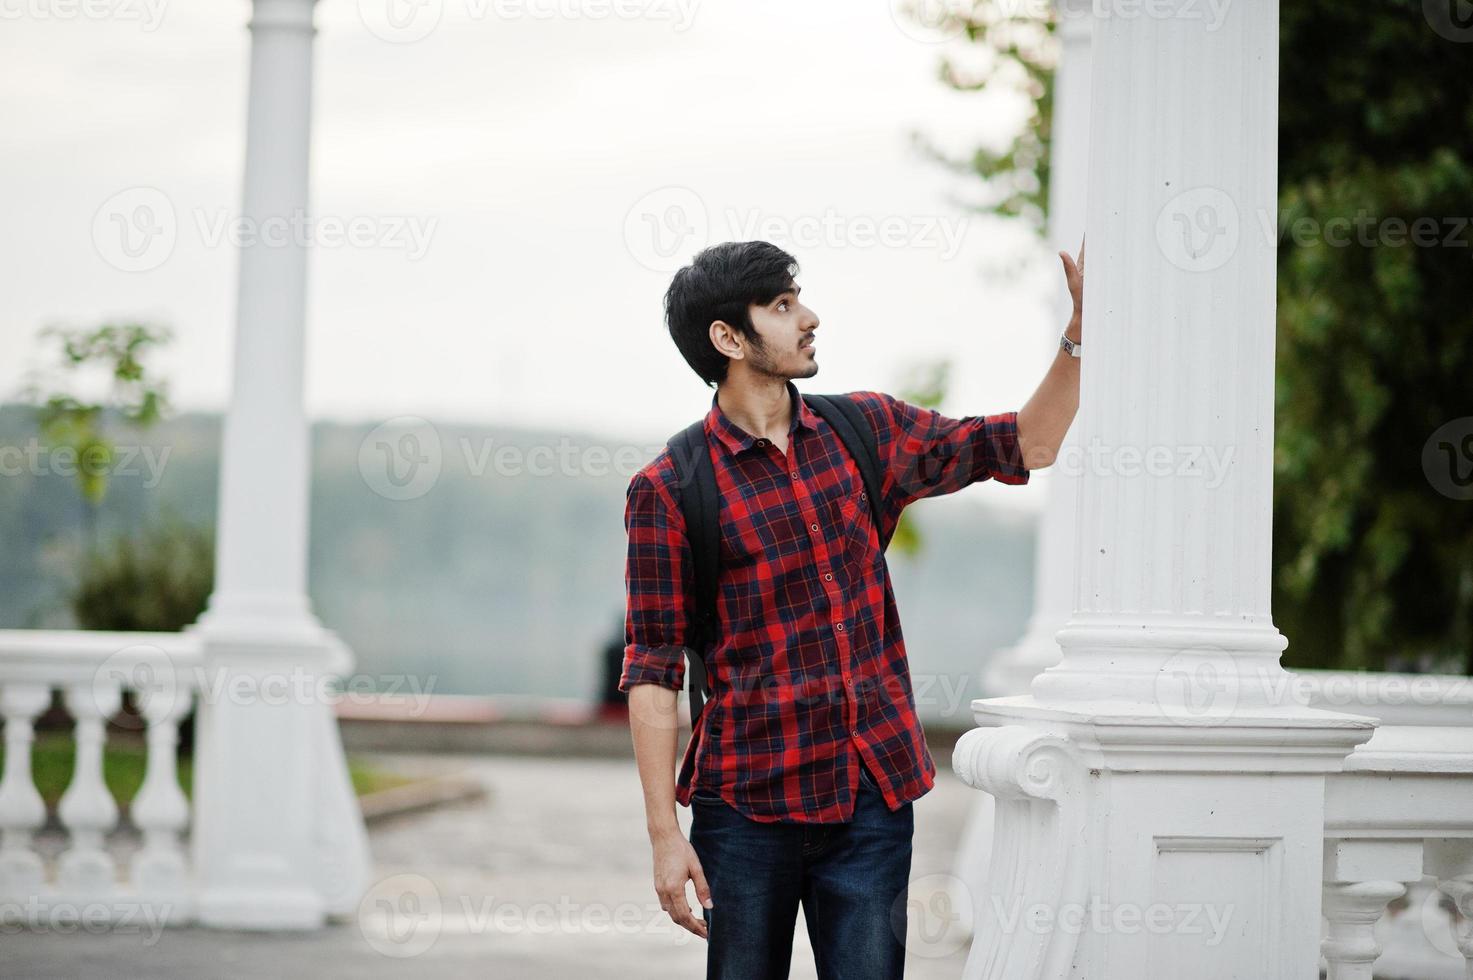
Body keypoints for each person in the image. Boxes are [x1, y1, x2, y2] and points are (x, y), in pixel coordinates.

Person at [620, 239, 1084, 979]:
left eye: (796, 298)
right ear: (727, 339)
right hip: (743, 809)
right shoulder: (670, 488)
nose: (808, 317)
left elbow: (1028, 442)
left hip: (870, 798)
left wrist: (1079, 337)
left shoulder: (865, 431)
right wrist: (662, 836)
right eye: (780, 305)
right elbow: (652, 669)